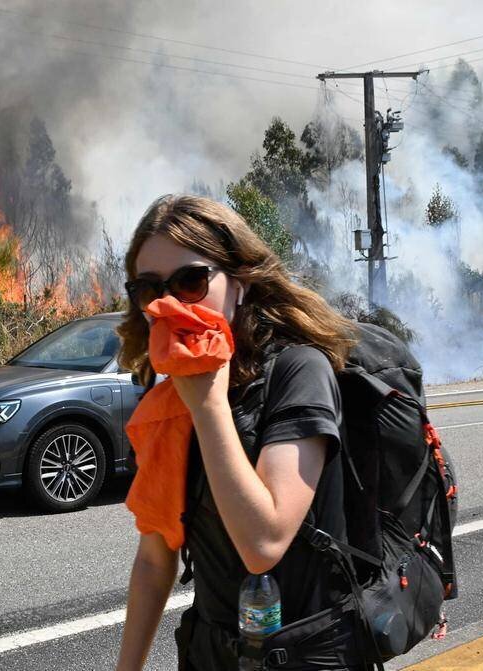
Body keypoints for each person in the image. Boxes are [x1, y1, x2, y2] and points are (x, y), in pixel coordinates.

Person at [114, 195, 361, 670]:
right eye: (148, 289)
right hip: (211, 653)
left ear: (241, 282)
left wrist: (207, 406)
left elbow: (263, 545)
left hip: (305, 656)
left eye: (190, 281)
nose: (167, 304)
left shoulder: (298, 371)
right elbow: (154, 556)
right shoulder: (171, 398)